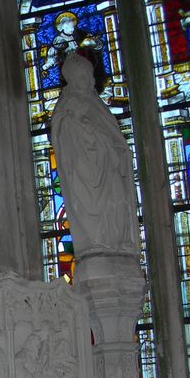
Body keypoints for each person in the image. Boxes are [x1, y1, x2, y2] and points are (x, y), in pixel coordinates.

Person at [52, 52, 140, 256]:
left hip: (109, 164)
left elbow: (114, 135)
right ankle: (97, 243)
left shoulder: (97, 104)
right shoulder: (67, 105)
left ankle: (119, 242)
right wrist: (80, 126)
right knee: (91, 207)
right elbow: (63, 135)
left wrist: (117, 149)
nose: (86, 81)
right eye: (81, 77)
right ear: (73, 80)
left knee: (117, 200)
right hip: (85, 167)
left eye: (87, 77)